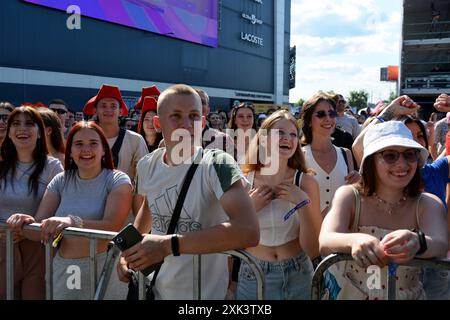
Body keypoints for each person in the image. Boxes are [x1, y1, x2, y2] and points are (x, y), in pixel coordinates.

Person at [116, 84, 259, 300]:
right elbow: (148, 211)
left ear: (202, 122)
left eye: (193, 116)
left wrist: (168, 245)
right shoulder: (147, 164)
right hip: (154, 290)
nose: (185, 124)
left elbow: (248, 230)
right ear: (157, 123)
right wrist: (127, 255)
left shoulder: (218, 164)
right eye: (175, 116)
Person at [320, 121, 448, 300]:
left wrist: (418, 242)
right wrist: (354, 240)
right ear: (371, 160)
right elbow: (326, 238)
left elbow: (441, 243)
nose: (402, 163)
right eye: (390, 156)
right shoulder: (350, 195)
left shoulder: (427, 203)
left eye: (410, 155)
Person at [7, 121, 133, 300]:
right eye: (79, 144)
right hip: (64, 269)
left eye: (93, 143)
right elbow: (38, 229)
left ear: (104, 149)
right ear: (71, 151)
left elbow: (112, 225)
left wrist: (72, 221)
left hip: (104, 268)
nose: (86, 149)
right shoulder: (61, 180)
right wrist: (26, 221)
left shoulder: (117, 180)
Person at [236, 110, 322, 300]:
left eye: (293, 134)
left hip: (299, 272)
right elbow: (232, 237)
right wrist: (248, 211)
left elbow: (313, 248)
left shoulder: (307, 183)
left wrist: (303, 203)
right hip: (253, 272)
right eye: (280, 133)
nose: (288, 139)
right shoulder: (242, 181)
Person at [0, 106, 63, 299]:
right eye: (16, 124)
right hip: (2, 248)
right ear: (9, 132)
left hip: (38, 251)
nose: (22, 129)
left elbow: (61, 208)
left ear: (39, 133)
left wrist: (28, 229)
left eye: (29, 124)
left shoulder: (53, 167)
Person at [83, 84, 148, 216]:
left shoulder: (135, 140)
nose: (108, 110)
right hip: (89, 209)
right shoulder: (84, 138)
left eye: (113, 106)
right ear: (95, 110)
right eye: (103, 105)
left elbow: (143, 182)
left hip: (125, 212)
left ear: (121, 111)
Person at [300, 92, 360, 216]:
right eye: (321, 114)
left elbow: (353, 194)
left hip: (341, 231)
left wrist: (358, 182)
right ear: (309, 121)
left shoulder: (346, 153)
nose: (328, 118)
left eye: (331, 113)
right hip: (307, 232)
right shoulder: (300, 155)